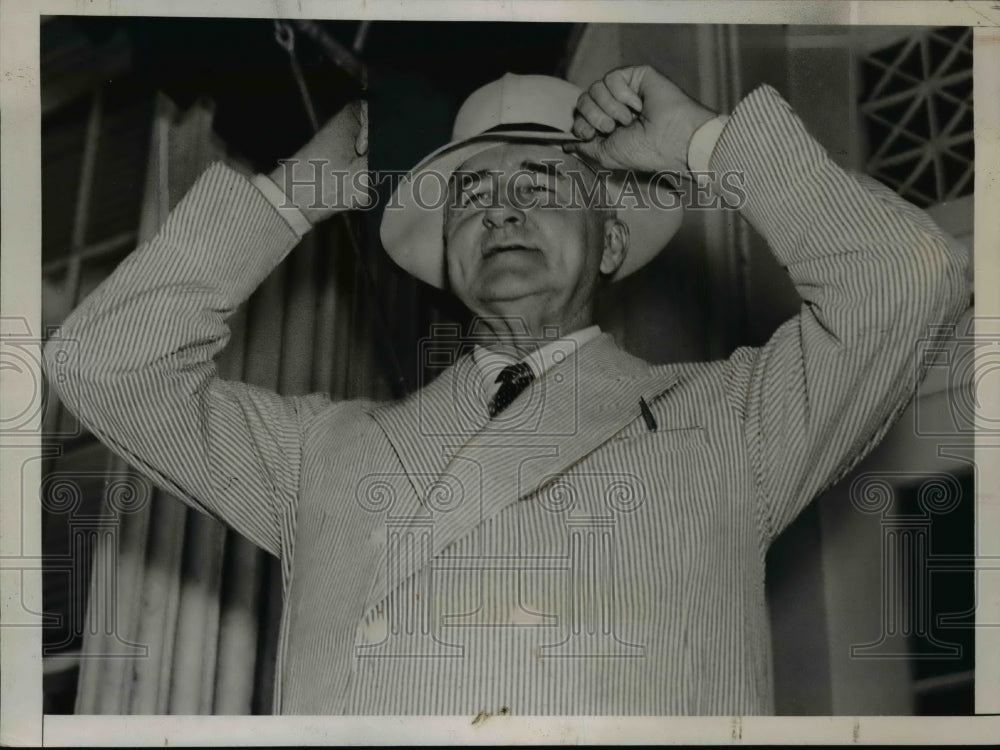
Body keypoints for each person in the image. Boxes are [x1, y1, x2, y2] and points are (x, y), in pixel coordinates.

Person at [45, 64, 968, 715]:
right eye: (471, 195)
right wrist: (297, 191)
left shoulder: (731, 422)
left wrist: (703, 139)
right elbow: (101, 362)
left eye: (543, 182)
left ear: (610, 242)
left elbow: (906, 275)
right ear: (445, 264)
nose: (504, 208)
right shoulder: (320, 452)